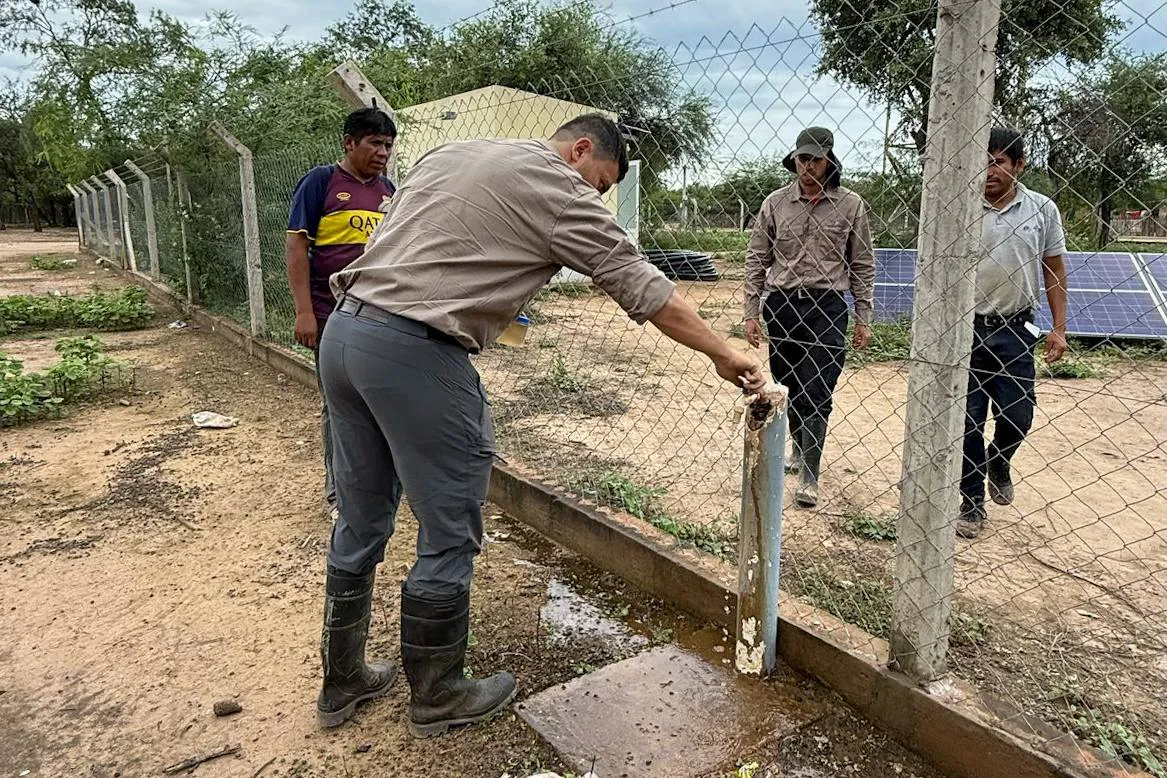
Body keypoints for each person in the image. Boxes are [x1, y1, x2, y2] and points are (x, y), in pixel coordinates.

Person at [312, 114, 766, 735]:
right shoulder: (560, 190)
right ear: (580, 150)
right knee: (448, 528)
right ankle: (438, 693)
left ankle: (342, 682)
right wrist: (723, 352)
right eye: (600, 182)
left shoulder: (457, 149)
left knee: (362, 515)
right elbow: (642, 284)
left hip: (345, 333)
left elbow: (431, 247)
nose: (596, 198)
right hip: (414, 352)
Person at [742, 127, 875, 508]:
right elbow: (757, 258)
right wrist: (752, 310)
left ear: (829, 159)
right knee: (789, 386)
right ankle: (800, 449)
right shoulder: (775, 203)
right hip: (783, 305)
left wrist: (863, 315)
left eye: (814, 159)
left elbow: (863, 263)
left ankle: (809, 476)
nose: (807, 166)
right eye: (801, 159)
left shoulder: (850, 205)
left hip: (827, 306)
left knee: (818, 390)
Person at [285, 107, 397, 520]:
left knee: (380, 403)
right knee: (339, 405)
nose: (383, 152)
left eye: (388, 145)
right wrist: (304, 313)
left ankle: (377, 485)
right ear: (349, 143)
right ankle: (339, 494)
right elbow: (297, 250)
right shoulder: (321, 182)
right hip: (330, 314)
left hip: (379, 317)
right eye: (374, 143)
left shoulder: (389, 191)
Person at [957, 127, 1068, 539]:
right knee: (966, 422)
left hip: (1015, 328)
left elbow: (1054, 270)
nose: (987, 170)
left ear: (1018, 166)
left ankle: (999, 460)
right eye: (981, 161)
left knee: (1017, 416)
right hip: (965, 328)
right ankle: (971, 504)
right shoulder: (961, 210)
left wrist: (1058, 328)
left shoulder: (1042, 210)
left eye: (997, 161)